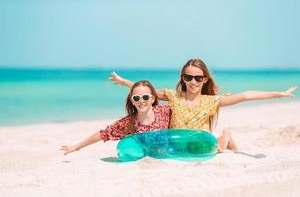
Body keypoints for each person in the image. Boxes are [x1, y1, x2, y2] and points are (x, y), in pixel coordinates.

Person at [109, 58, 298, 152]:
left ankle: (225, 136)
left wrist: (278, 94)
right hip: (177, 143)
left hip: (200, 143)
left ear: (204, 79)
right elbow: (146, 92)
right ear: (183, 78)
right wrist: (125, 82)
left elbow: (245, 95)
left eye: (198, 77)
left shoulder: (212, 101)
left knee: (219, 150)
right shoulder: (173, 96)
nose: (193, 81)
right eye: (188, 77)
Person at [60, 80, 171, 155]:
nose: (141, 101)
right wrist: (76, 147)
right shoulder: (129, 123)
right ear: (132, 101)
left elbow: (185, 107)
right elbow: (103, 134)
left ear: (152, 99)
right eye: (137, 98)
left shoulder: (164, 111)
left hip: (167, 155)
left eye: (145, 97)